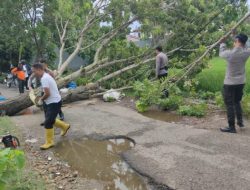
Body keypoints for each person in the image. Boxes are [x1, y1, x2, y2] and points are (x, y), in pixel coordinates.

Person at [31, 63, 70, 150]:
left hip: (54, 102)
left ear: (39, 69)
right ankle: (65, 126)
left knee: (48, 122)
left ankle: (49, 142)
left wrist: (41, 99)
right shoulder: (45, 76)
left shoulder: (45, 78)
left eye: (34, 71)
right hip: (49, 102)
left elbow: (47, 93)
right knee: (49, 119)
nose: (33, 74)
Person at [219, 33, 250, 133]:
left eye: (234, 41)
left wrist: (222, 43)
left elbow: (221, 53)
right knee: (237, 101)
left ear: (237, 41)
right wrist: (234, 35)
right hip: (241, 82)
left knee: (229, 104)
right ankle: (240, 122)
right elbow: (245, 43)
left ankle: (231, 127)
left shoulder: (230, 54)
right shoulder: (246, 52)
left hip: (230, 83)